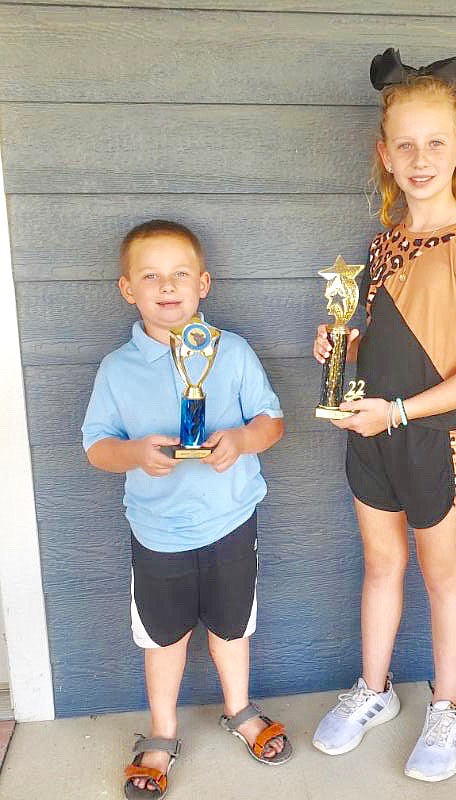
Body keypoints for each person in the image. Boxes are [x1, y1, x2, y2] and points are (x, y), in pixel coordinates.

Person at [312, 49, 456, 782]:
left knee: (441, 573)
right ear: (383, 154)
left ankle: (449, 705)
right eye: (405, 144)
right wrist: (342, 342)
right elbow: (390, 334)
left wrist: (396, 412)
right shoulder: (384, 242)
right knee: (380, 563)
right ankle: (374, 691)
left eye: (435, 143)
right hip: (370, 433)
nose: (420, 158)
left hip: (429, 438)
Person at [82, 219, 291, 799]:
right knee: (164, 638)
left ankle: (241, 710)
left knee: (231, 628)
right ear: (128, 289)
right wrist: (133, 453)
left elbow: (272, 421)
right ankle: (162, 735)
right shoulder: (115, 370)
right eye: (150, 276)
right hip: (157, 533)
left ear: (204, 283)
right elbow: (96, 446)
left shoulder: (235, 351)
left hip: (231, 521)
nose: (166, 286)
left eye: (179, 275)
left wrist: (243, 441)